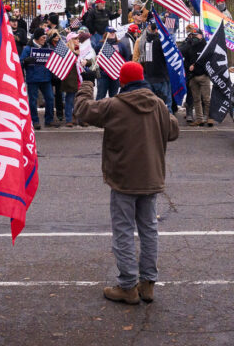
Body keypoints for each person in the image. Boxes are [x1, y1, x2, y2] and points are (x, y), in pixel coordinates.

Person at [74, 62, 179, 305]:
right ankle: (148, 283)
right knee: (149, 229)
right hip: (151, 177)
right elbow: (173, 131)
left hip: (123, 178)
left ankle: (128, 285)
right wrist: (164, 112)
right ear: (142, 79)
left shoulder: (114, 105)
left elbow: (82, 110)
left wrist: (88, 82)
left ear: (122, 82)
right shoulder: (159, 106)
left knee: (123, 231)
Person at [20, 28, 57, 129]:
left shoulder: (47, 47)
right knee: (33, 101)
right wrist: (26, 61)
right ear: (37, 37)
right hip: (33, 79)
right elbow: (20, 62)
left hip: (46, 78)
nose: (44, 39)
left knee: (50, 99)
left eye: (45, 37)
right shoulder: (28, 49)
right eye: (43, 37)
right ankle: (34, 121)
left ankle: (49, 120)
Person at [180, 26, 213, 127]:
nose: (194, 37)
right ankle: (199, 119)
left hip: (204, 76)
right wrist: (188, 41)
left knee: (206, 99)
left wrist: (201, 69)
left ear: (201, 36)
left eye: (196, 35)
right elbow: (181, 53)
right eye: (192, 35)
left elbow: (209, 60)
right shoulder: (190, 45)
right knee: (196, 99)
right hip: (193, 77)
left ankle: (209, 118)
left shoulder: (206, 46)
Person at [136, 21, 172, 111]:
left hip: (149, 76)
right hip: (161, 77)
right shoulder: (161, 42)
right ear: (157, 30)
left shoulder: (145, 41)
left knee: (151, 105)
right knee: (165, 105)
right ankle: (167, 122)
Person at [95, 27, 121, 100]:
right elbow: (94, 56)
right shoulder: (100, 45)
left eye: (114, 32)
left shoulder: (120, 44)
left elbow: (126, 56)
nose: (113, 33)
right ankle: (97, 111)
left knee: (114, 97)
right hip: (103, 74)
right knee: (100, 96)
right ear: (106, 33)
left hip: (115, 74)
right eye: (111, 32)